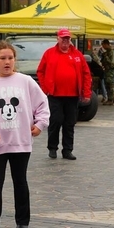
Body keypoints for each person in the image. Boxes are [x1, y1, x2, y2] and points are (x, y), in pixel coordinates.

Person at [0, 41, 50, 228]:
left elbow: (42, 103)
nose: (7, 62)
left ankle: (22, 221)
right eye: (2, 58)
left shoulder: (25, 81)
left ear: (14, 60)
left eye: (10, 58)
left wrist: (40, 124)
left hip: (20, 142)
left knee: (20, 181)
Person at [37, 28, 91, 160]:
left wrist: (86, 93)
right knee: (55, 121)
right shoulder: (49, 53)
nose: (65, 41)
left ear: (70, 40)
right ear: (58, 39)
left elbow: (86, 74)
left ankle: (67, 150)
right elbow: (40, 71)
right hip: (55, 95)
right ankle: (52, 148)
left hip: (72, 95)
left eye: (67, 39)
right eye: (63, 39)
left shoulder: (78, 55)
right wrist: (45, 89)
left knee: (70, 123)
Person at [99, 39, 114, 104]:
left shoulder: (111, 52)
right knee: (107, 85)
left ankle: (111, 99)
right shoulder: (106, 52)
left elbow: (111, 63)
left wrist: (105, 56)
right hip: (107, 70)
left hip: (110, 70)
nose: (102, 46)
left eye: (103, 45)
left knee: (110, 85)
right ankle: (109, 99)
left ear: (106, 44)